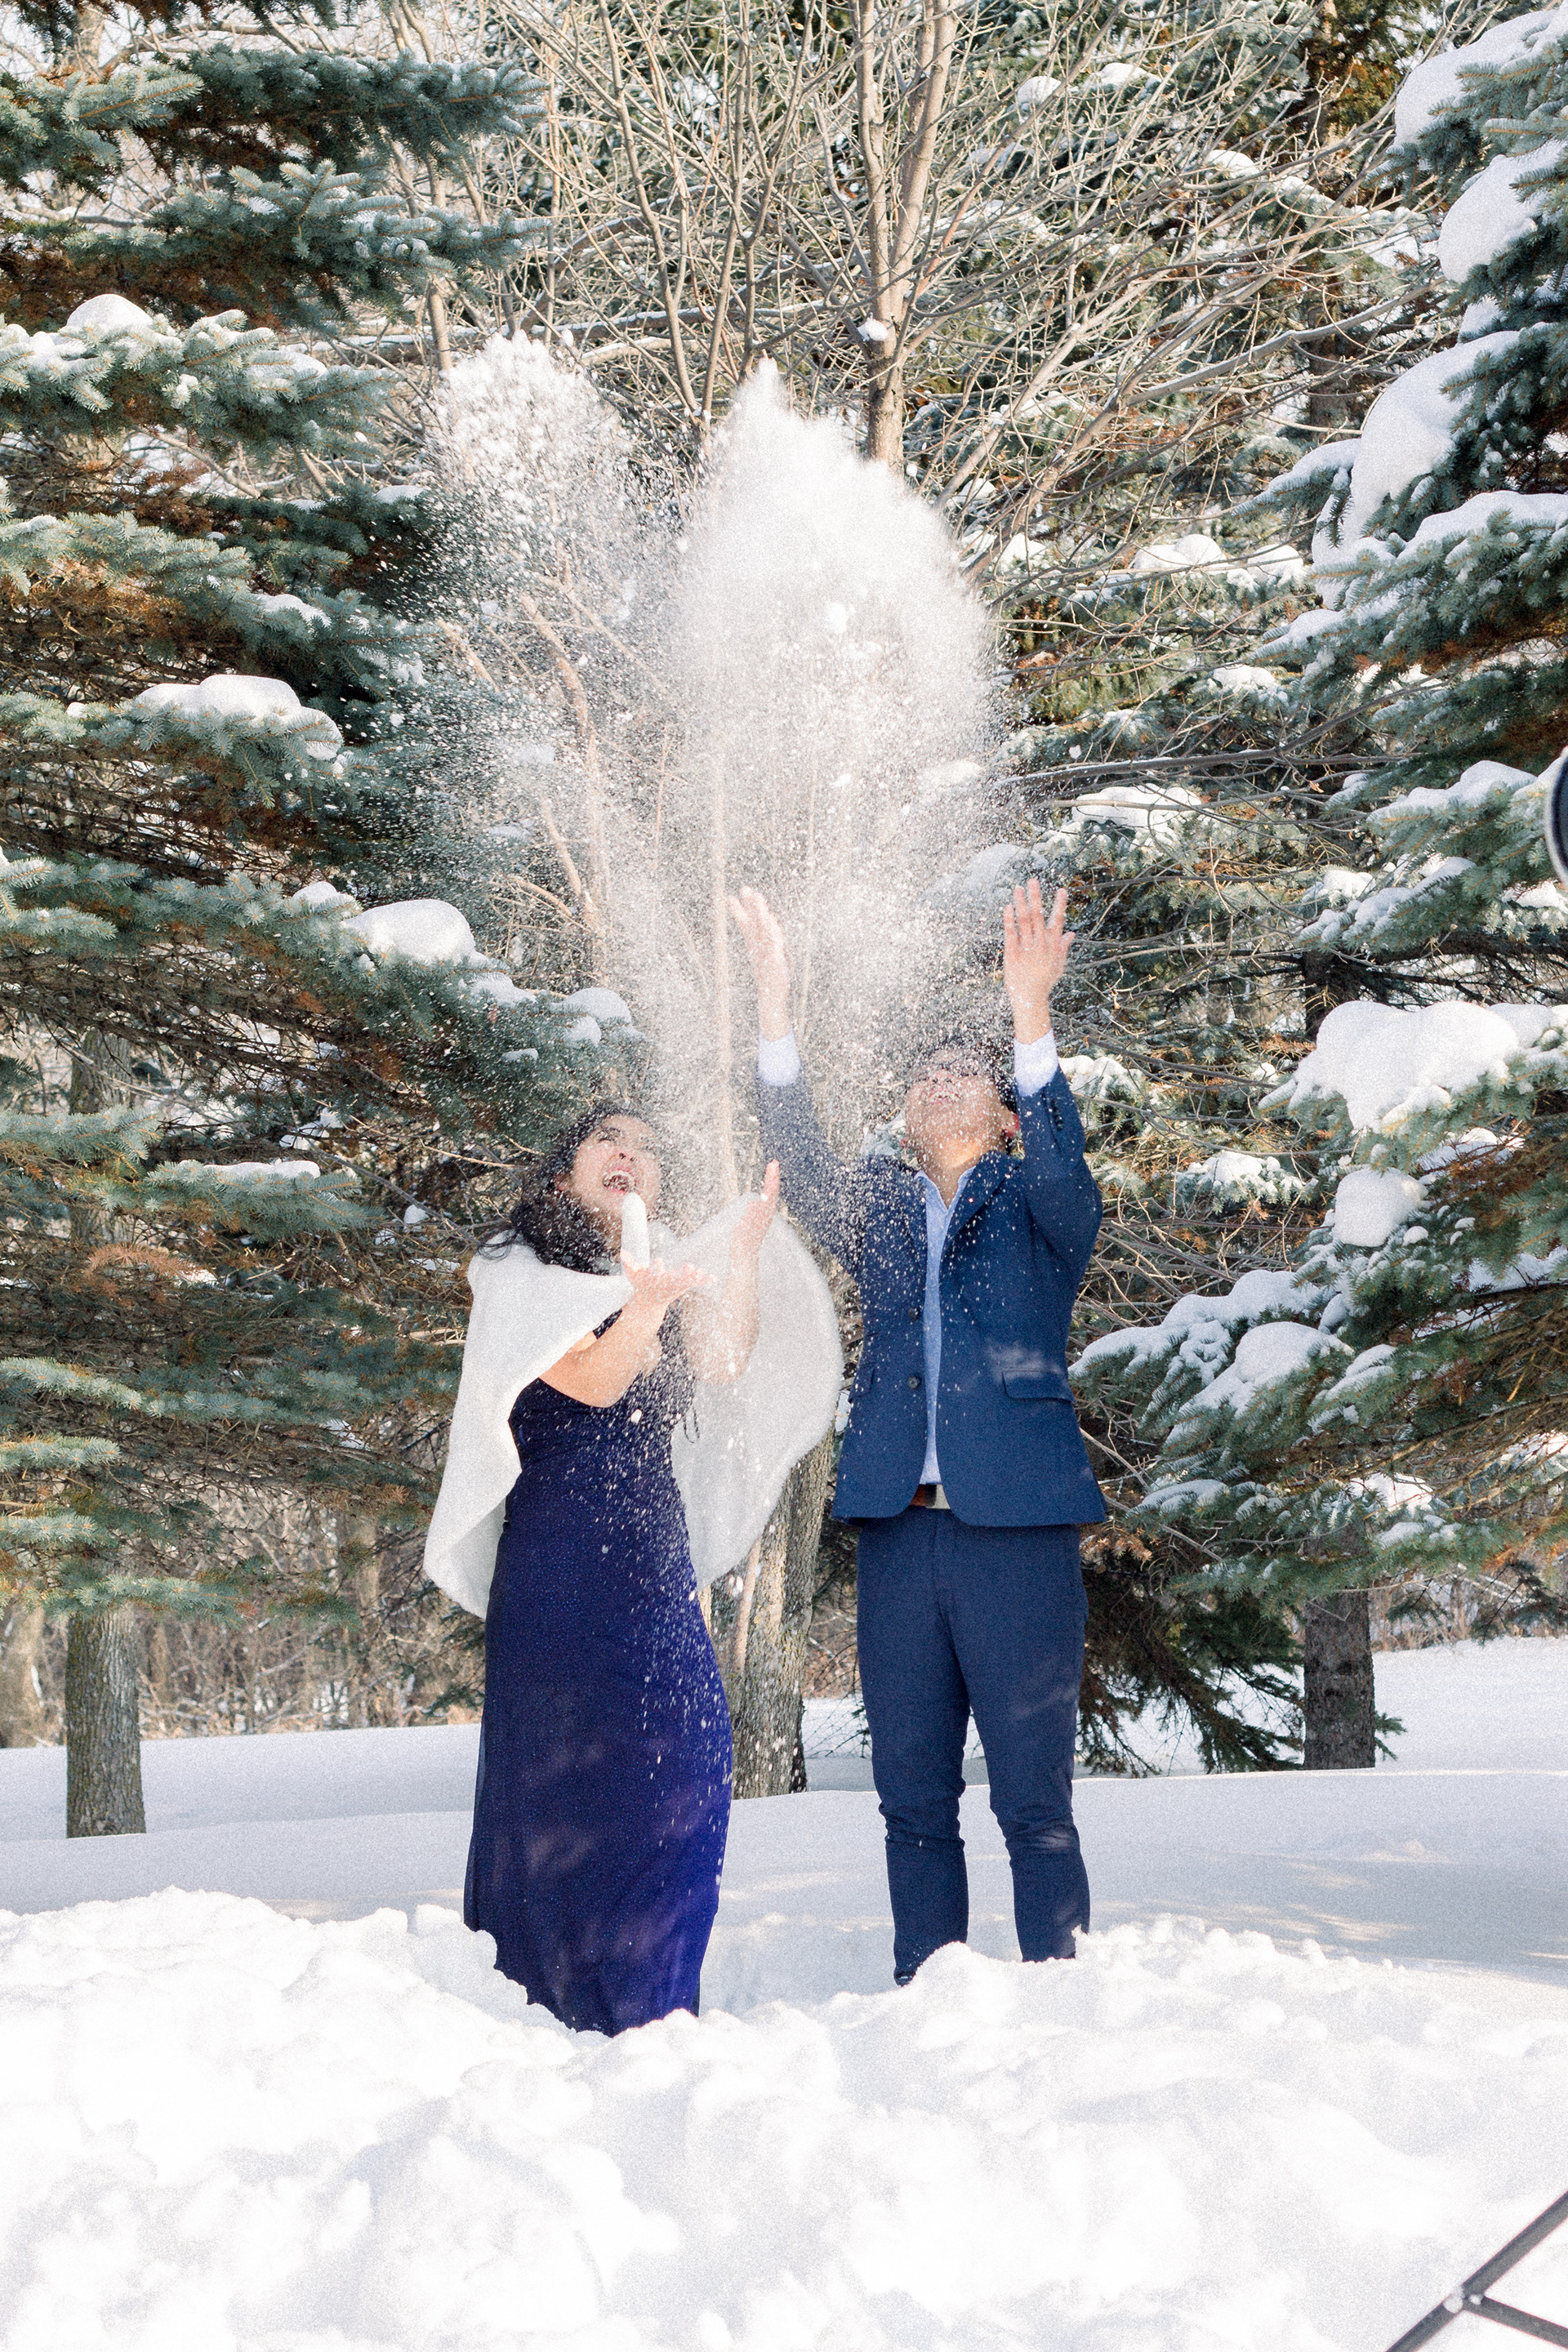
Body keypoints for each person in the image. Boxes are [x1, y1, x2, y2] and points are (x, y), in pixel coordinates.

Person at [730, 878, 1107, 1984]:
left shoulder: (1041, 1206)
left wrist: (1030, 1013)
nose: (937, 1079)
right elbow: (795, 1153)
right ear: (903, 1117)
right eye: (922, 1074)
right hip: (900, 1531)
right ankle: (926, 2002)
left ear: (1005, 1117)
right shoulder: (881, 1209)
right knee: (911, 1801)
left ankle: (1064, 1997)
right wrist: (774, 1005)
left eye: (962, 1073)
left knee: (1033, 1802)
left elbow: (1064, 1161)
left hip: (1018, 1531)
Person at [442, 1104, 783, 2035]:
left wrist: (744, 1249)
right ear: (564, 1175)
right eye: (609, 1140)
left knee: (688, 1759)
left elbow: (722, 1360)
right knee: (567, 1785)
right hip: (560, 1561)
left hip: (652, 1555)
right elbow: (595, 1381)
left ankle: (655, 2007)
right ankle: (557, 2010)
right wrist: (649, 1304)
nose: (631, 1153)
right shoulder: (517, 1269)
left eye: (647, 1146)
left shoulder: (653, 1263)